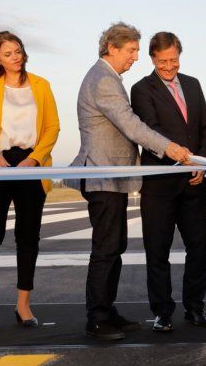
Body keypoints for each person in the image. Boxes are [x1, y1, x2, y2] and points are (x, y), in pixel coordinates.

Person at [71, 22, 192, 341]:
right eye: (131, 50)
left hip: (112, 176)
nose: (136, 57)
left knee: (114, 245)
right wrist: (168, 147)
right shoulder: (104, 80)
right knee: (106, 248)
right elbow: (130, 125)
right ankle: (97, 318)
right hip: (102, 174)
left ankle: (107, 311)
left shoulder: (107, 77)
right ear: (111, 47)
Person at [0, 31, 60, 333]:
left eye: (18, 51)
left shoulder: (41, 85)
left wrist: (35, 158)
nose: (15, 57)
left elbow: (52, 127)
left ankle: (23, 304)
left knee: (28, 236)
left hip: (32, 165)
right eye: (8, 54)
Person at [130, 32, 206, 332]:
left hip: (195, 184)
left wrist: (203, 163)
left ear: (180, 55)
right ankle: (162, 312)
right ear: (153, 59)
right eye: (163, 61)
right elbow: (151, 132)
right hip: (161, 185)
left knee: (199, 248)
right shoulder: (141, 89)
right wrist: (183, 160)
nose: (169, 67)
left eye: (174, 60)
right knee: (157, 251)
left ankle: (195, 308)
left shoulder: (193, 84)